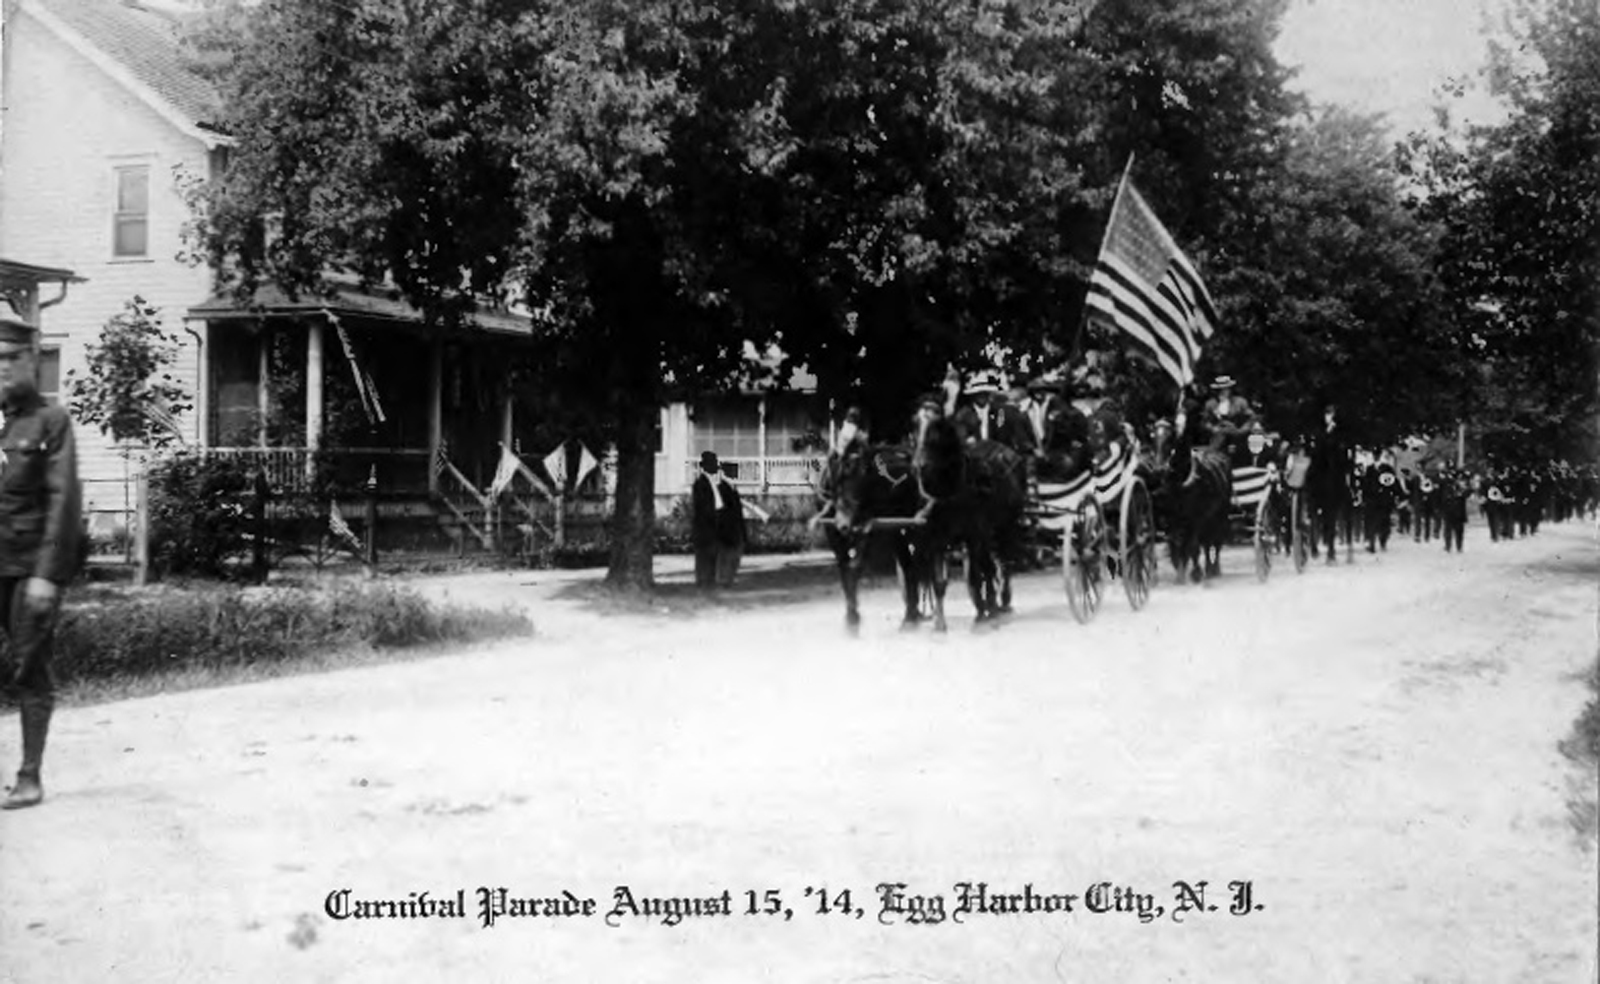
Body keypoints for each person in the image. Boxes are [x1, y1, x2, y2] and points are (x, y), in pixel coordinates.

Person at [0, 317, 83, 810]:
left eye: (12, 359)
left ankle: (29, 777)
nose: (3, 370)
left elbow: (63, 501)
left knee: (30, 669)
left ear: (34, 359)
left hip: (27, 569)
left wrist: (47, 575)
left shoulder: (51, 422)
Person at [690, 451, 723, 589]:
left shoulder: (713, 483)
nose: (716, 466)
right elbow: (703, 508)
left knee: (712, 555)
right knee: (704, 555)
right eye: (713, 463)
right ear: (706, 466)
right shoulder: (700, 484)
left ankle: (710, 581)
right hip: (705, 526)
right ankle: (703, 582)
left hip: (713, 524)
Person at [715, 463, 748, 588]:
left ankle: (728, 579)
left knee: (734, 557)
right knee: (726, 556)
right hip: (727, 529)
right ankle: (723, 580)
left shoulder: (732, 489)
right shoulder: (722, 489)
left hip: (735, 528)